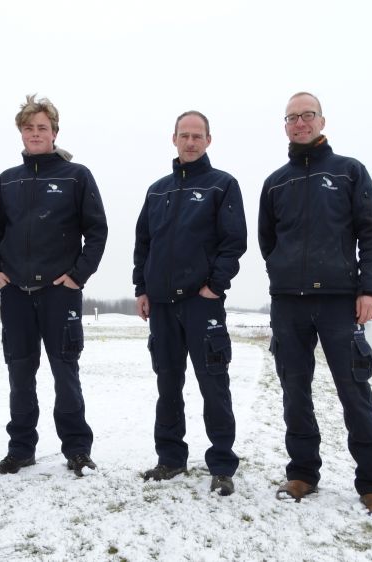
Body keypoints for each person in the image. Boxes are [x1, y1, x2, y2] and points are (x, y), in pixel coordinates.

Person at [259, 92, 372, 519]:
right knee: (294, 393)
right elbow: (269, 242)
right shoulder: (275, 182)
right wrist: (284, 275)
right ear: (285, 126)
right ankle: (302, 473)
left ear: (321, 121)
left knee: (354, 394)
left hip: (340, 303)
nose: (299, 123)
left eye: (307, 115)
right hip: (289, 305)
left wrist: (368, 289)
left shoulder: (349, 172)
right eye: (292, 117)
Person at [0, 95, 108, 477]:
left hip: (60, 294)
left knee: (65, 372)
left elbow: (97, 231)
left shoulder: (76, 176)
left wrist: (78, 275)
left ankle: (77, 450)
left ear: (54, 132)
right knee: (20, 375)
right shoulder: (8, 180)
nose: (35, 134)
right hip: (17, 294)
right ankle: (21, 449)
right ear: (20, 133)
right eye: (28, 128)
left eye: (42, 128)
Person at [133, 111, 247, 496]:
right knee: (168, 383)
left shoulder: (222, 185)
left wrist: (215, 286)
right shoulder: (157, 190)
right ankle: (170, 459)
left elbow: (234, 243)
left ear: (208, 141)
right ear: (174, 139)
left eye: (198, 136)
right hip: (162, 306)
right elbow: (143, 244)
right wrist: (142, 288)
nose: (191, 142)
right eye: (185, 135)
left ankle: (222, 465)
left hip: (203, 304)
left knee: (214, 384)